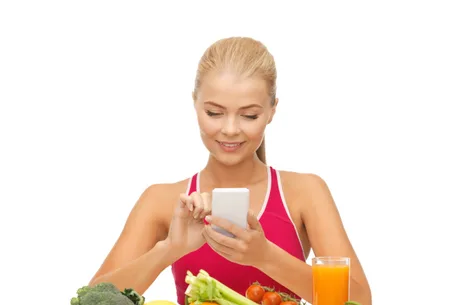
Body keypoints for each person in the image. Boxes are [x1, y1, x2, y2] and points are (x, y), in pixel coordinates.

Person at [88, 37, 372, 305]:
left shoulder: (305, 193)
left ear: (273, 110)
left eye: (249, 115)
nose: (230, 129)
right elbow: (88, 301)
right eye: (214, 112)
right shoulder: (162, 200)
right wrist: (169, 249)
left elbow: (359, 300)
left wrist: (265, 257)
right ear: (195, 104)